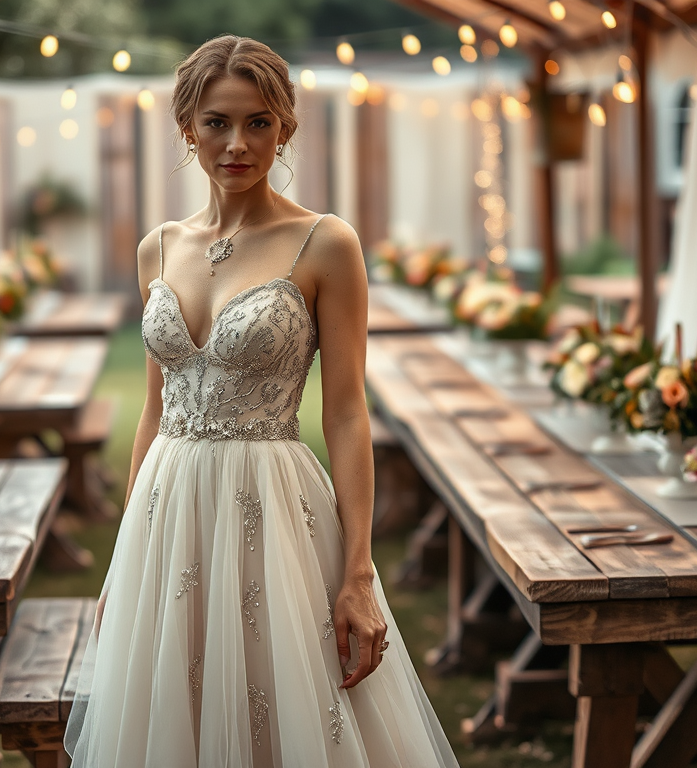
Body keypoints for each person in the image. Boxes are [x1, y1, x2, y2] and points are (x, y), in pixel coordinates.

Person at [64, 34, 459, 767]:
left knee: (286, 715)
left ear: (286, 127)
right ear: (188, 127)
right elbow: (155, 411)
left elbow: (344, 413)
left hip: (274, 509)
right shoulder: (157, 246)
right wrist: (126, 555)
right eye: (217, 122)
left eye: (258, 123)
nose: (237, 143)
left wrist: (359, 572)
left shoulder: (324, 243)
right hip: (167, 513)